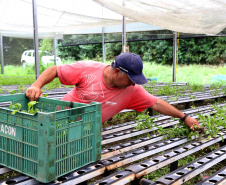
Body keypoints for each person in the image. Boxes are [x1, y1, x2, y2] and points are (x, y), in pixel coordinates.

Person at [26, 52, 200, 130]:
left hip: (88, 131)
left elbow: (156, 103)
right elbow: (56, 70)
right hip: (60, 120)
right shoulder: (87, 69)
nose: (133, 85)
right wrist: (36, 85)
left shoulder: (132, 90)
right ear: (117, 72)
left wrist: (184, 117)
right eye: (131, 80)